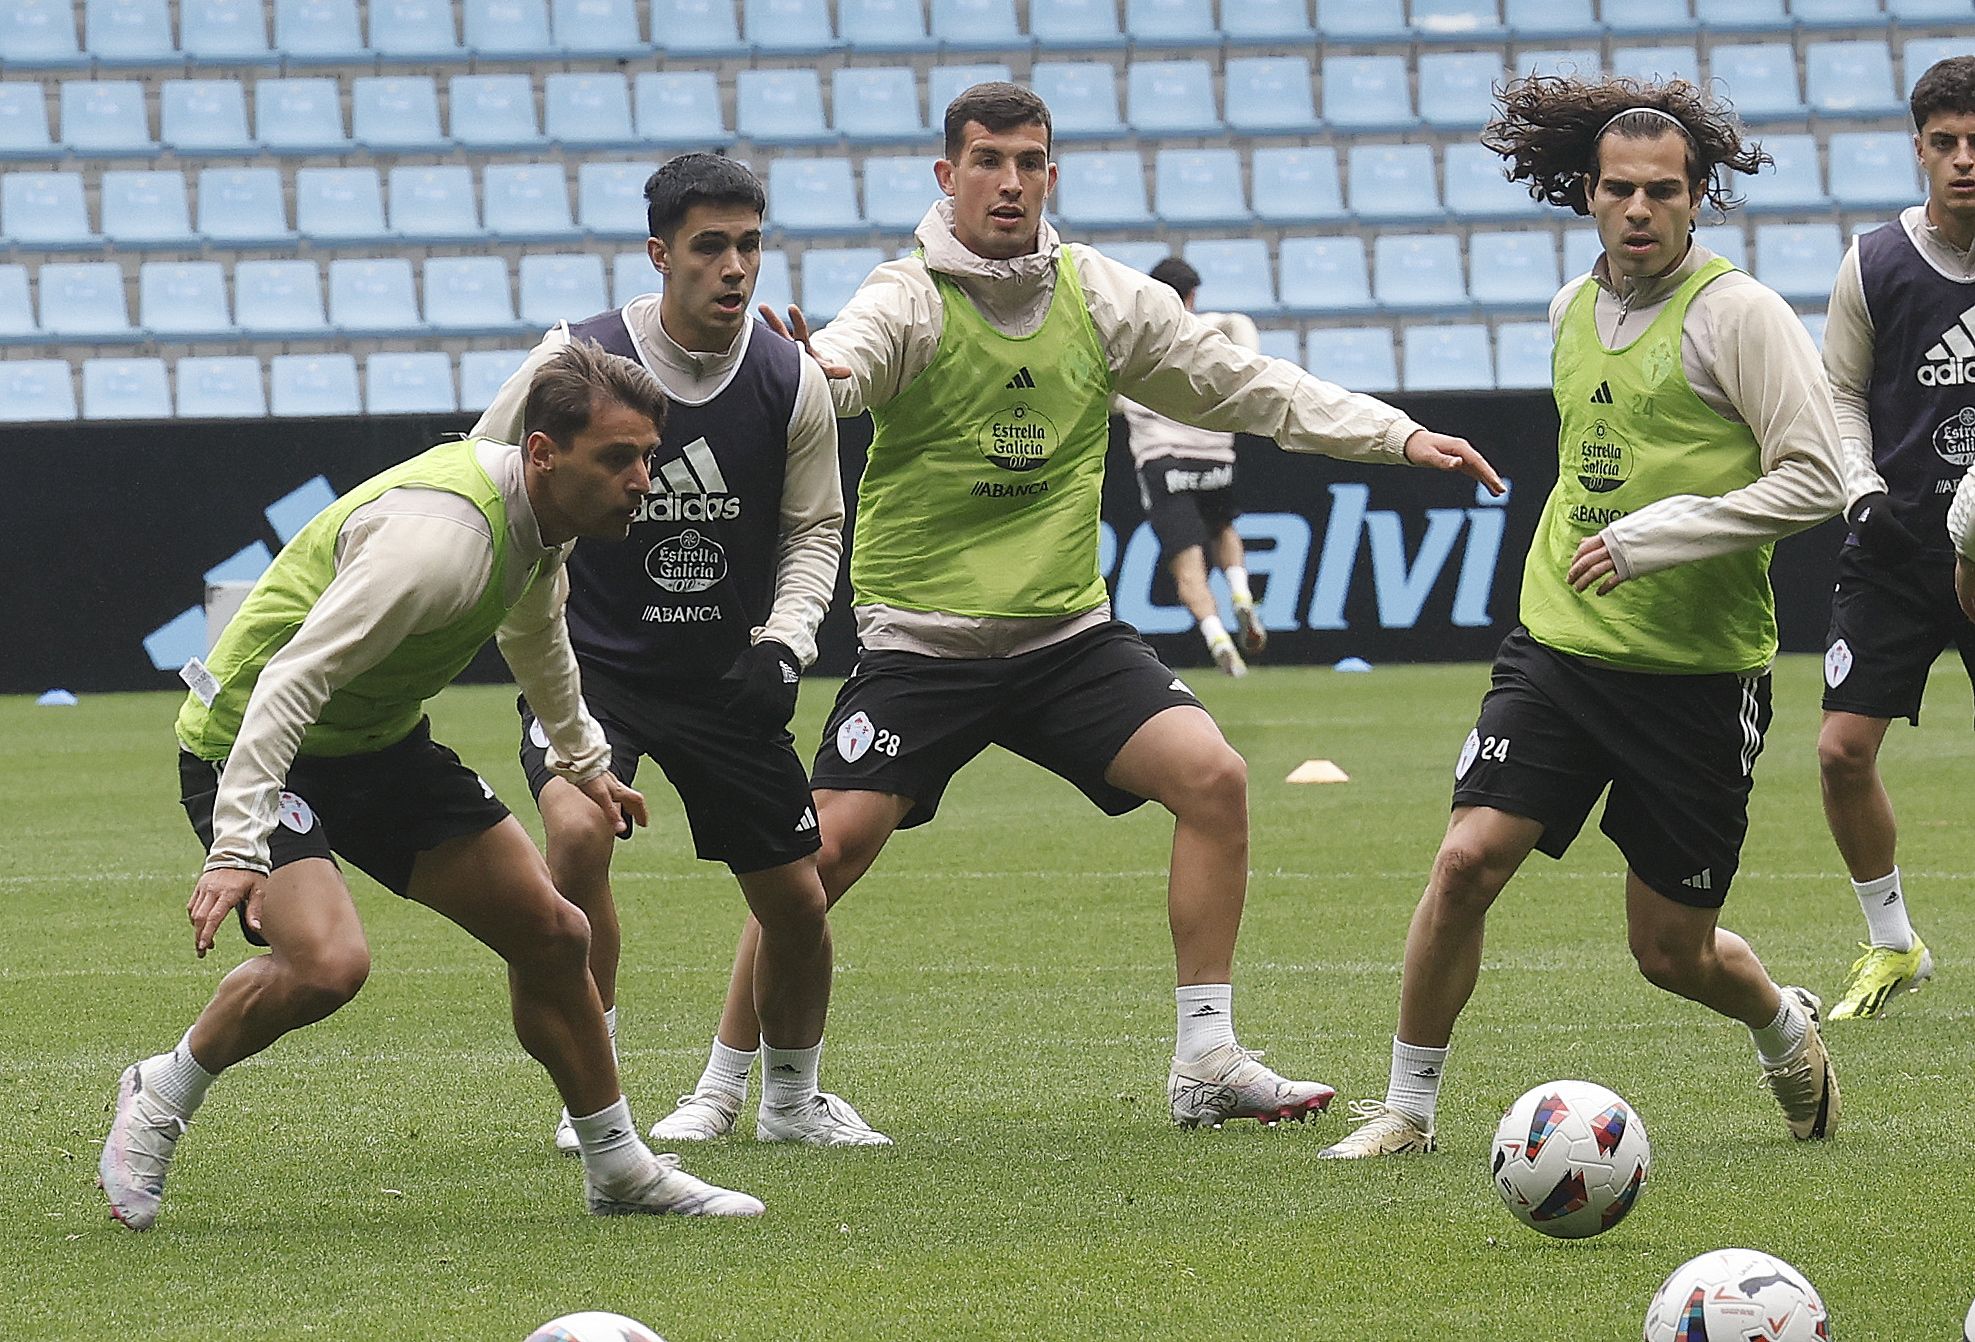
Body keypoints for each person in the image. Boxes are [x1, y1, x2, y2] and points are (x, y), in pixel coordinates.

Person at [648, 81, 1504, 1141]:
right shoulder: (909, 295)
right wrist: (814, 367)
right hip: (926, 638)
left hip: (1064, 638)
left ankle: (1204, 1060)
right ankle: (724, 1089)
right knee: (817, 856)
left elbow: (1244, 384)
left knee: (1213, 778)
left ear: (1050, 173)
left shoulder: (1100, 295)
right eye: (987, 161)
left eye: (1029, 162)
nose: (1010, 182)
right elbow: (849, 359)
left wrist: (1394, 435)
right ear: (945, 174)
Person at [99, 343, 763, 1230]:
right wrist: (237, 847)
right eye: (617, 458)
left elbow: (536, 637)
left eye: (648, 456)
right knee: (327, 965)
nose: (642, 480)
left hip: (378, 744)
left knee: (554, 934)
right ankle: (160, 1093)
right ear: (542, 454)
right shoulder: (441, 545)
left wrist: (584, 763)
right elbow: (289, 684)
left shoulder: (538, 525)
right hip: (253, 745)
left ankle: (617, 1167)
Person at [1317, 75, 1847, 1160]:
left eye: (1662, 190)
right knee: (1465, 861)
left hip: (1697, 673)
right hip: (1558, 646)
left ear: (1697, 197)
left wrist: (1656, 537)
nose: (1639, 209)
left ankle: (1779, 1022)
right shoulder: (1569, 308)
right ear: (1586, 195)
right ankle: (1408, 1112)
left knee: (1670, 953)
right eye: (1618, 190)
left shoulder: (1738, 315)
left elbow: (1817, 481)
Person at [471, 155, 882, 1149]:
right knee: (573, 837)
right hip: (594, 670)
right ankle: (592, 1085)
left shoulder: (789, 377)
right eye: (709, 247)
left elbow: (816, 530)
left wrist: (785, 644)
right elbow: (483, 476)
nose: (734, 266)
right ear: (661, 255)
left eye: (748, 245)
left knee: (797, 898)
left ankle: (790, 1101)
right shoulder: (577, 358)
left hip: (723, 676)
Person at [1814, 56, 1975, 1021]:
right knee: (1839, 751)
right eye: (1945, 143)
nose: (1963, 161)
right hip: (1895, 544)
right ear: (1916, 147)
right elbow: (1836, 391)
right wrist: (1860, 490)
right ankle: (1891, 943)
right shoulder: (1873, 261)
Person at [1117, 257, 1268, 677]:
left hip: (1164, 462)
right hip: (1215, 458)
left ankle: (1216, 634)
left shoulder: (1134, 342)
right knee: (1224, 530)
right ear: (1192, 295)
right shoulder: (1212, 337)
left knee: (1187, 564)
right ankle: (1240, 593)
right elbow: (1244, 338)